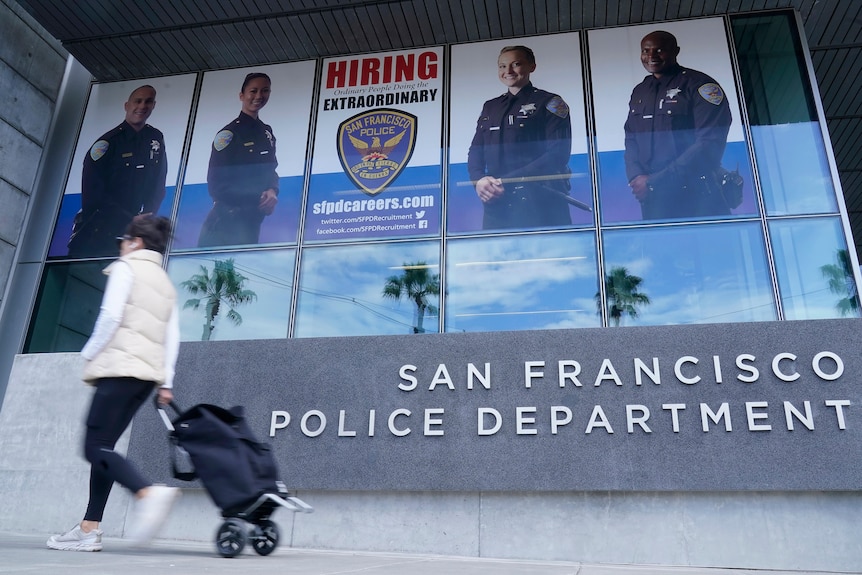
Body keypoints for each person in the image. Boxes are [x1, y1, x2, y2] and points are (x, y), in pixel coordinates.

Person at [47, 215, 181, 551]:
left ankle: (146, 492)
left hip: (120, 367)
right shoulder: (165, 282)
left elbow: (110, 316)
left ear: (136, 241)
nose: (121, 245)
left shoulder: (127, 267)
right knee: (104, 449)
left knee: (93, 447)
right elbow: (172, 336)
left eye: (124, 239)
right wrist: (166, 381)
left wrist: (89, 352)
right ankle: (89, 527)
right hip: (146, 377)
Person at [624, 30, 732, 220]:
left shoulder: (700, 85)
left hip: (697, 194)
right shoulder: (640, 91)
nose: (651, 56)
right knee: (663, 250)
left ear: (676, 51)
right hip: (655, 197)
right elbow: (631, 137)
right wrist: (636, 177)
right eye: (646, 51)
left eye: (659, 50)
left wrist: (656, 181)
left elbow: (709, 142)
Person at [467, 45, 573, 230]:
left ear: (532, 66)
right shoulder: (490, 107)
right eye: (502, 66)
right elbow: (476, 150)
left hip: (539, 202)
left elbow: (558, 154)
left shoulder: (553, 102)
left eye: (516, 64)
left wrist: (506, 181)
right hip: (498, 206)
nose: (508, 71)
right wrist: (479, 181)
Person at [68, 85, 167, 258]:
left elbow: (158, 182)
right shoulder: (108, 143)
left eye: (148, 102)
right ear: (126, 105)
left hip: (133, 235)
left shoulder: (155, 138)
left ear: (154, 105)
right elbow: (93, 197)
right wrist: (128, 219)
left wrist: (147, 216)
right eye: (138, 101)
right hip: (98, 233)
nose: (142, 106)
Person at [197, 72, 279, 247]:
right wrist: (258, 196)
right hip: (226, 221)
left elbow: (271, 170)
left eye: (265, 91)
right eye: (253, 91)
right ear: (242, 95)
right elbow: (216, 185)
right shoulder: (228, 134)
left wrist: (272, 190)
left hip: (251, 220)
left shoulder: (266, 132)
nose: (259, 96)